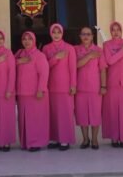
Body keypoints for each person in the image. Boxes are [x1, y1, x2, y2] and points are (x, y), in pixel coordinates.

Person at [42, 23, 77, 151]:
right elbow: (44, 67)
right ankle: (54, 138)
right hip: (51, 86)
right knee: (53, 113)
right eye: (54, 32)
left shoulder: (69, 48)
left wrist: (73, 84)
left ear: (62, 33)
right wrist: (56, 58)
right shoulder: (46, 48)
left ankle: (65, 139)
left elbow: (73, 68)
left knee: (65, 113)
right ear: (50, 33)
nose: (56, 35)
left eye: (59, 32)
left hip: (65, 86)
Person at [102, 21, 123, 148]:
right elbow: (109, 61)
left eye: (118, 30)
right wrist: (122, 51)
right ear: (110, 32)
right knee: (112, 111)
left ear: (121, 31)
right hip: (112, 82)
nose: (116, 32)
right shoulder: (106, 45)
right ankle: (114, 137)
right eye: (113, 30)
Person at [15, 31, 49, 151]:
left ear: (34, 40)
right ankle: (25, 142)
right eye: (24, 39)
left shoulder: (39, 55)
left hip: (35, 93)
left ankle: (35, 143)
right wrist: (19, 61)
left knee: (35, 119)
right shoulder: (19, 54)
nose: (27, 41)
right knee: (23, 119)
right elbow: (9, 63)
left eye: (29, 39)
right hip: (22, 93)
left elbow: (44, 73)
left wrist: (41, 89)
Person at [75, 27, 107, 150]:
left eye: (88, 34)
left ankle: (94, 139)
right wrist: (89, 56)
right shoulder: (75, 50)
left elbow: (103, 70)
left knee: (95, 114)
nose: (86, 36)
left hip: (95, 88)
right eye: (83, 34)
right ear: (80, 36)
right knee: (82, 114)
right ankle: (85, 139)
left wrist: (103, 86)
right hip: (80, 88)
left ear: (92, 36)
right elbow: (75, 65)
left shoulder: (98, 50)